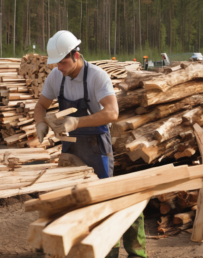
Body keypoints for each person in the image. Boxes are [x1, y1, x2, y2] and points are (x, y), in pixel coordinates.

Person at [34, 30, 147, 258]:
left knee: (103, 199)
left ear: (76, 55)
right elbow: (41, 106)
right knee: (71, 198)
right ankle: (75, 245)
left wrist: (76, 122)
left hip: (97, 144)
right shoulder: (57, 76)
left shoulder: (97, 76)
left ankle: (107, 249)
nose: (59, 67)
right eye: (56, 63)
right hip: (71, 147)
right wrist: (39, 123)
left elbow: (112, 113)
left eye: (63, 62)